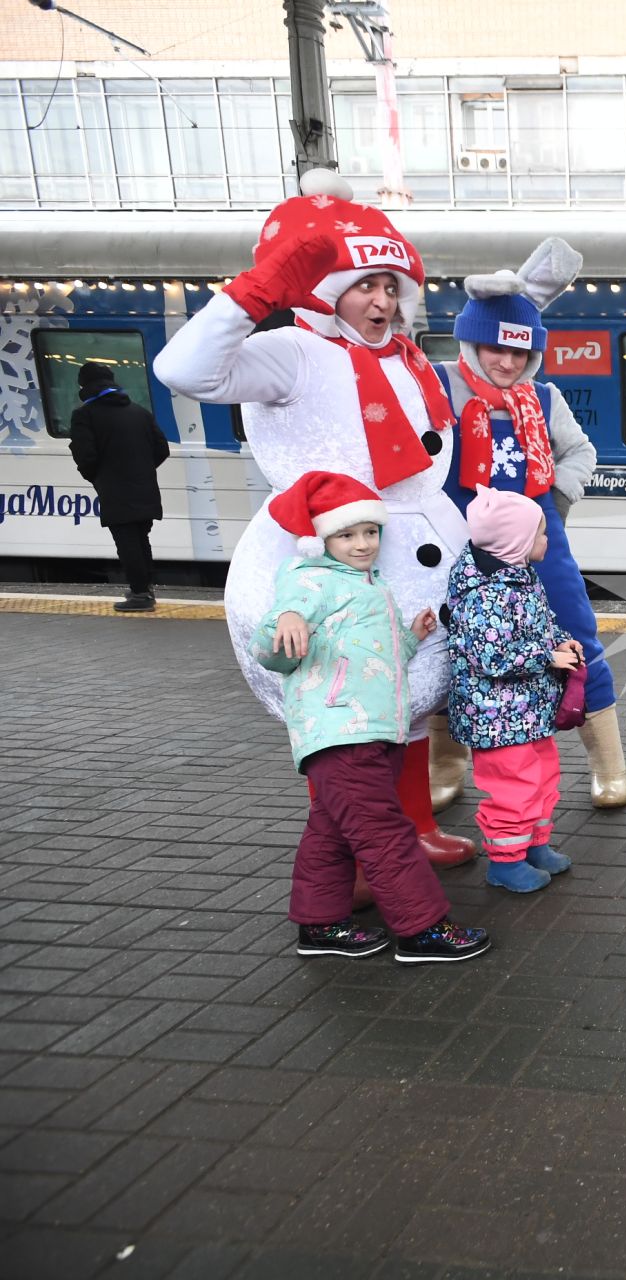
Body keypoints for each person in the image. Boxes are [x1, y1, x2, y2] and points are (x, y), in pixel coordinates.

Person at [152, 169, 475, 870]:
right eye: (366, 284)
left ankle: (414, 827)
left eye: (392, 286)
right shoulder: (295, 353)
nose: (383, 300)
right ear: (326, 289)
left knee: (410, 707)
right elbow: (184, 369)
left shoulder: (407, 360)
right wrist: (257, 290)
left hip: (415, 568)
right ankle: (350, 859)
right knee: (345, 720)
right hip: (334, 565)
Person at [253, 471, 490, 964]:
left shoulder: (365, 584)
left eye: (370, 531)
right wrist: (286, 623)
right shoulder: (309, 580)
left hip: (367, 730)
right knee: (384, 832)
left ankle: (319, 926)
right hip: (341, 731)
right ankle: (422, 929)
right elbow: (274, 640)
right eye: (347, 534)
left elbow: (370, 659)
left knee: (332, 830)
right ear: (320, 539)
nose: (363, 544)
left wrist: (409, 636)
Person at [431, 239, 626, 810]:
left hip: (542, 548)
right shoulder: (435, 387)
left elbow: (581, 453)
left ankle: (607, 765)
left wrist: (552, 508)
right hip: (456, 547)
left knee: (577, 639)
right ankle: (446, 762)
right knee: (452, 644)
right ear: (472, 342)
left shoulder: (544, 398)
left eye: (519, 353)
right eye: (495, 348)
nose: (507, 363)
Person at [446, 487, 583, 893]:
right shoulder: (485, 593)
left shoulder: (519, 576)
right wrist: (547, 656)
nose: (547, 540)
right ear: (516, 542)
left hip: (526, 713)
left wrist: (559, 640)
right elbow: (492, 656)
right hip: (496, 719)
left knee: (542, 778)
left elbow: (541, 623)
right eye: (541, 533)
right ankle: (506, 862)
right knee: (513, 788)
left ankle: (534, 845)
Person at [67, 362, 169, 612]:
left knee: (127, 542)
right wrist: (142, 469)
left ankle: (140, 595)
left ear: (84, 385)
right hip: (144, 487)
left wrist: (98, 476)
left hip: (115, 489)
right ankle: (145, 588)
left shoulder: (85, 415)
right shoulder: (139, 412)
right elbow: (162, 449)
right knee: (141, 538)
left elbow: (85, 456)